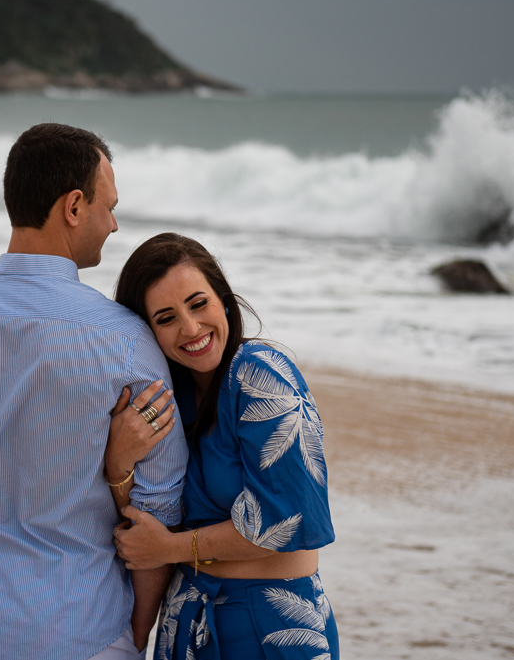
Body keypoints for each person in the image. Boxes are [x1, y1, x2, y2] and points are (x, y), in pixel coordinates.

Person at [0, 123, 188, 660]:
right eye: (108, 207)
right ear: (73, 206)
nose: (114, 225)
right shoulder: (126, 342)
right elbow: (157, 503)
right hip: (86, 633)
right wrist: (137, 633)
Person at [104, 233, 338, 660]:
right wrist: (118, 461)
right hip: (186, 626)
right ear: (146, 331)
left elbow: (287, 521)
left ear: (224, 300)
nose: (191, 329)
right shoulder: (170, 398)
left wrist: (173, 548)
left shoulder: (260, 374)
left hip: (269, 626)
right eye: (166, 317)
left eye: (198, 304)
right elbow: (144, 526)